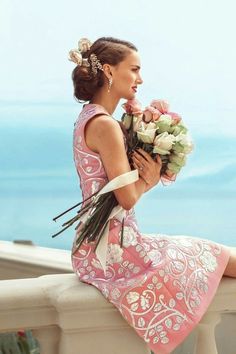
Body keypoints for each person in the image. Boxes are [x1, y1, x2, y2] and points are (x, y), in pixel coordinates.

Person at [68, 36, 236, 354]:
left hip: (97, 246)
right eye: (134, 69)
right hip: (113, 251)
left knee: (214, 253)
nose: (140, 79)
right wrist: (151, 179)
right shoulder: (106, 125)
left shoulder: (88, 118)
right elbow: (126, 198)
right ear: (108, 71)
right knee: (222, 257)